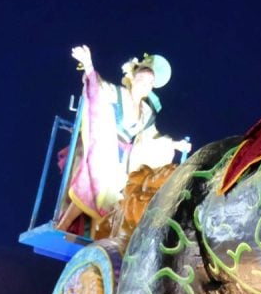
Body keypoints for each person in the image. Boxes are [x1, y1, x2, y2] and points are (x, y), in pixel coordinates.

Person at [55, 46, 191, 233]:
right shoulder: (118, 93)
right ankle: (62, 226)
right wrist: (88, 64)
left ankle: (98, 235)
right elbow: (98, 89)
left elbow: (151, 137)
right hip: (102, 144)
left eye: (150, 82)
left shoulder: (147, 111)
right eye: (142, 79)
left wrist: (175, 144)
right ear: (133, 79)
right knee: (95, 183)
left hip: (123, 157)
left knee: (116, 197)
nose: (145, 84)